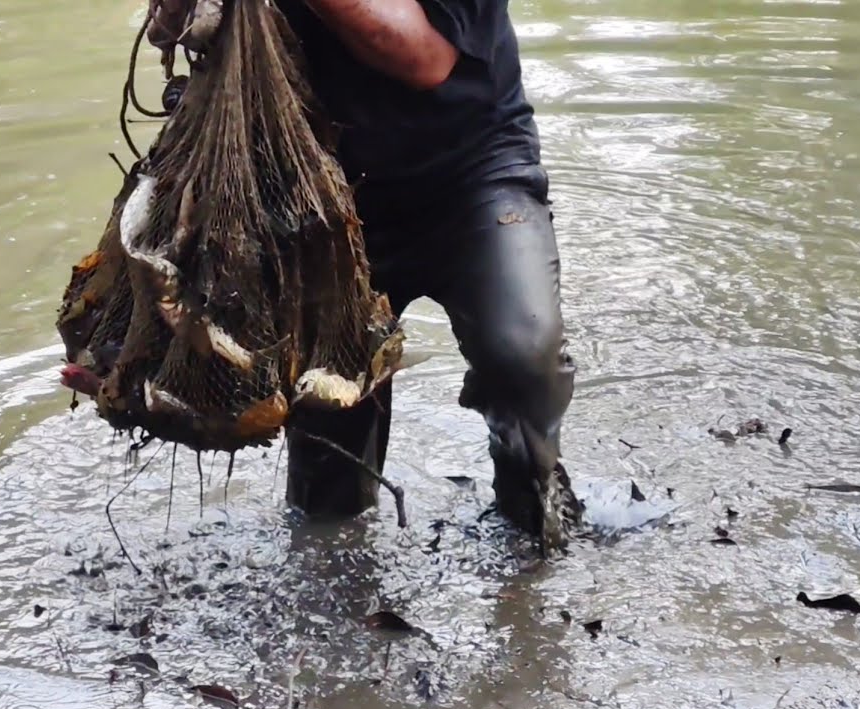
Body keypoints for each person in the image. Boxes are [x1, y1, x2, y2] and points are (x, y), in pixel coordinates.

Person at [145, 0, 581, 549]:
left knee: (523, 357)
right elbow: (177, 29)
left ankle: (533, 524)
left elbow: (424, 57)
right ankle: (335, 593)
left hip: (473, 175)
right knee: (328, 486)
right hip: (321, 192)